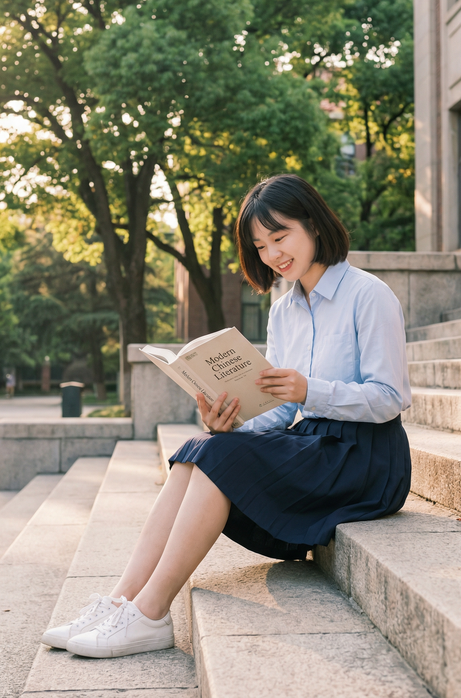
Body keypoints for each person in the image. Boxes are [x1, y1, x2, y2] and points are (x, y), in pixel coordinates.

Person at [41, 174, 412, 659]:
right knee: (203, 449)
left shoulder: (369, 295)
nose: (273, 254)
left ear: (314, 226)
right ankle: (120, 601)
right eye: (260, 246)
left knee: (222, 461)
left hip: (367, 457)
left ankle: (151, 613)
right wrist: (230, 422)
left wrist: (310, 390)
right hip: (313, 446)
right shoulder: (283, 311)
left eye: (281, 237)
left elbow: (390, 397)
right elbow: (280, 413)